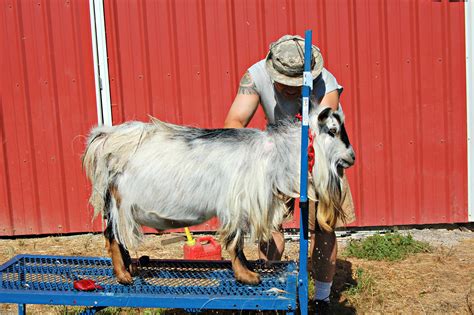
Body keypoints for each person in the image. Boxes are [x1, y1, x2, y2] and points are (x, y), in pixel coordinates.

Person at [223, 34, 356, 313]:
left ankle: (321, 298)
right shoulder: (255, 75)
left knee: (324, 226)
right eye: (287, 84)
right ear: (274, 73)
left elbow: (326, 127)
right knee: (268, 225)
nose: (292, 90)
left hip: (319, 155)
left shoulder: (325, 81)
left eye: (298, 85)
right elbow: (234, 121)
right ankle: (268, 288)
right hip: (275, 154)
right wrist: (258, 150)